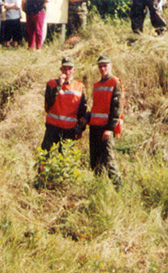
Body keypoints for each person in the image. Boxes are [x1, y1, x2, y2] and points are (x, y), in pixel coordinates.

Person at [88, 54, 124, 186]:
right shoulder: (96, 85)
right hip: (94, 128)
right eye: (100, 66)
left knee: (108, 159)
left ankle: (118, 187)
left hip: (105, 129)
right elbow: (96, 107)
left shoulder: (115, 82)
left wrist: (110, 128)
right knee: (95, 161)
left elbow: (117, 108)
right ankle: (99, 187)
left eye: (105, 66)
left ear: (111, 66)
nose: (103, 69)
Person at [41, 57, 86, 151]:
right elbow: (48, 104)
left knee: (66, 158)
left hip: (69, 129)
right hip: (52, 127)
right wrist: (59, 85)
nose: (67, 71)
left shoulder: (80, 87)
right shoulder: (51, 84)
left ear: (74, 70)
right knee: (44, 155)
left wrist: (80, 128)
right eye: (65, 68)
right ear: (61, 69)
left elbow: (82, 110)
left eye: (70, 68)